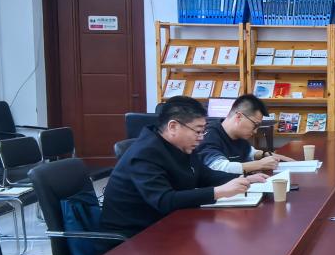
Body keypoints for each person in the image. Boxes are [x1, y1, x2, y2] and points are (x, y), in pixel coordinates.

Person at [100, 96, 265, 237]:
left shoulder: (181, 145)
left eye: (203, 131)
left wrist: (243, 179)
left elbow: (204, 175)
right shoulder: (144, 154)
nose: (201, 138)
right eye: (198, 131)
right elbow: (164, 200)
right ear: (173, 126)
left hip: (166, 225)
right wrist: (219, 192)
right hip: (133, 238)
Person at [195, 94, 291, 174]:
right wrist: (260, 164)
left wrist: (268, 155)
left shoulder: (238, 135)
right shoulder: (209, 135)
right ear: (239, 117)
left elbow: (250, 152)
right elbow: (218, 167)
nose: (255, 131)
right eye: (255, 125)